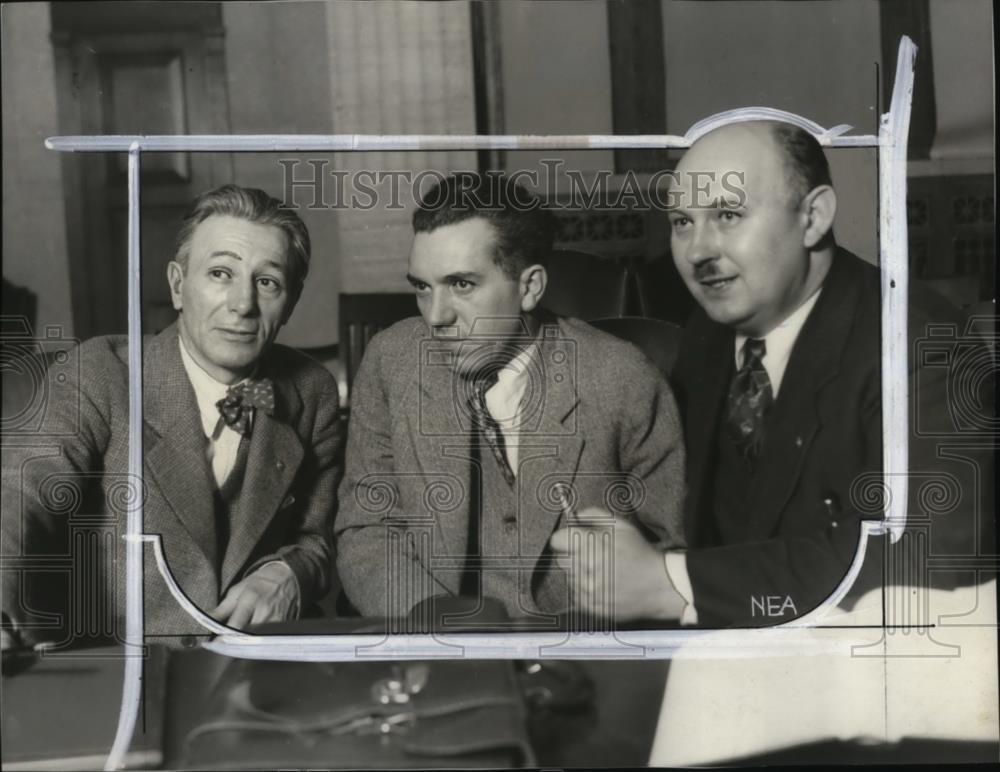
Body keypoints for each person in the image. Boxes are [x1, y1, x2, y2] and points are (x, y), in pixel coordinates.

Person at [569, 119, 993, 627]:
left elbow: (924, 554)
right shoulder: (708, 333)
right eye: (682, 222)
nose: (698, 251)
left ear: (813, 217)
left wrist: (674, 584)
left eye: (727, 214)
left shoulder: (920, 341)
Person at [1, 185, 343, 648]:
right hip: (119, 673)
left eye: (267, 282)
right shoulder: (100, 372)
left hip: (251, 669)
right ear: (178, 286)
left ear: (292, 300)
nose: (243, 305)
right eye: (221, 273)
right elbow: (20, 490)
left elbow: (317, 535)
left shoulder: (311, 390)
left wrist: (292, 573)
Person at [335, 173, 686, 623]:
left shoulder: (624, 377)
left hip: (583, 648)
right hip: (437, 640)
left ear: (529, 287)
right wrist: (432, 619)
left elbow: (672, 550)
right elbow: (367, 528)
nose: (436, 317)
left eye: (461, 284)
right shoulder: (391, 359)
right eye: (422, 287)